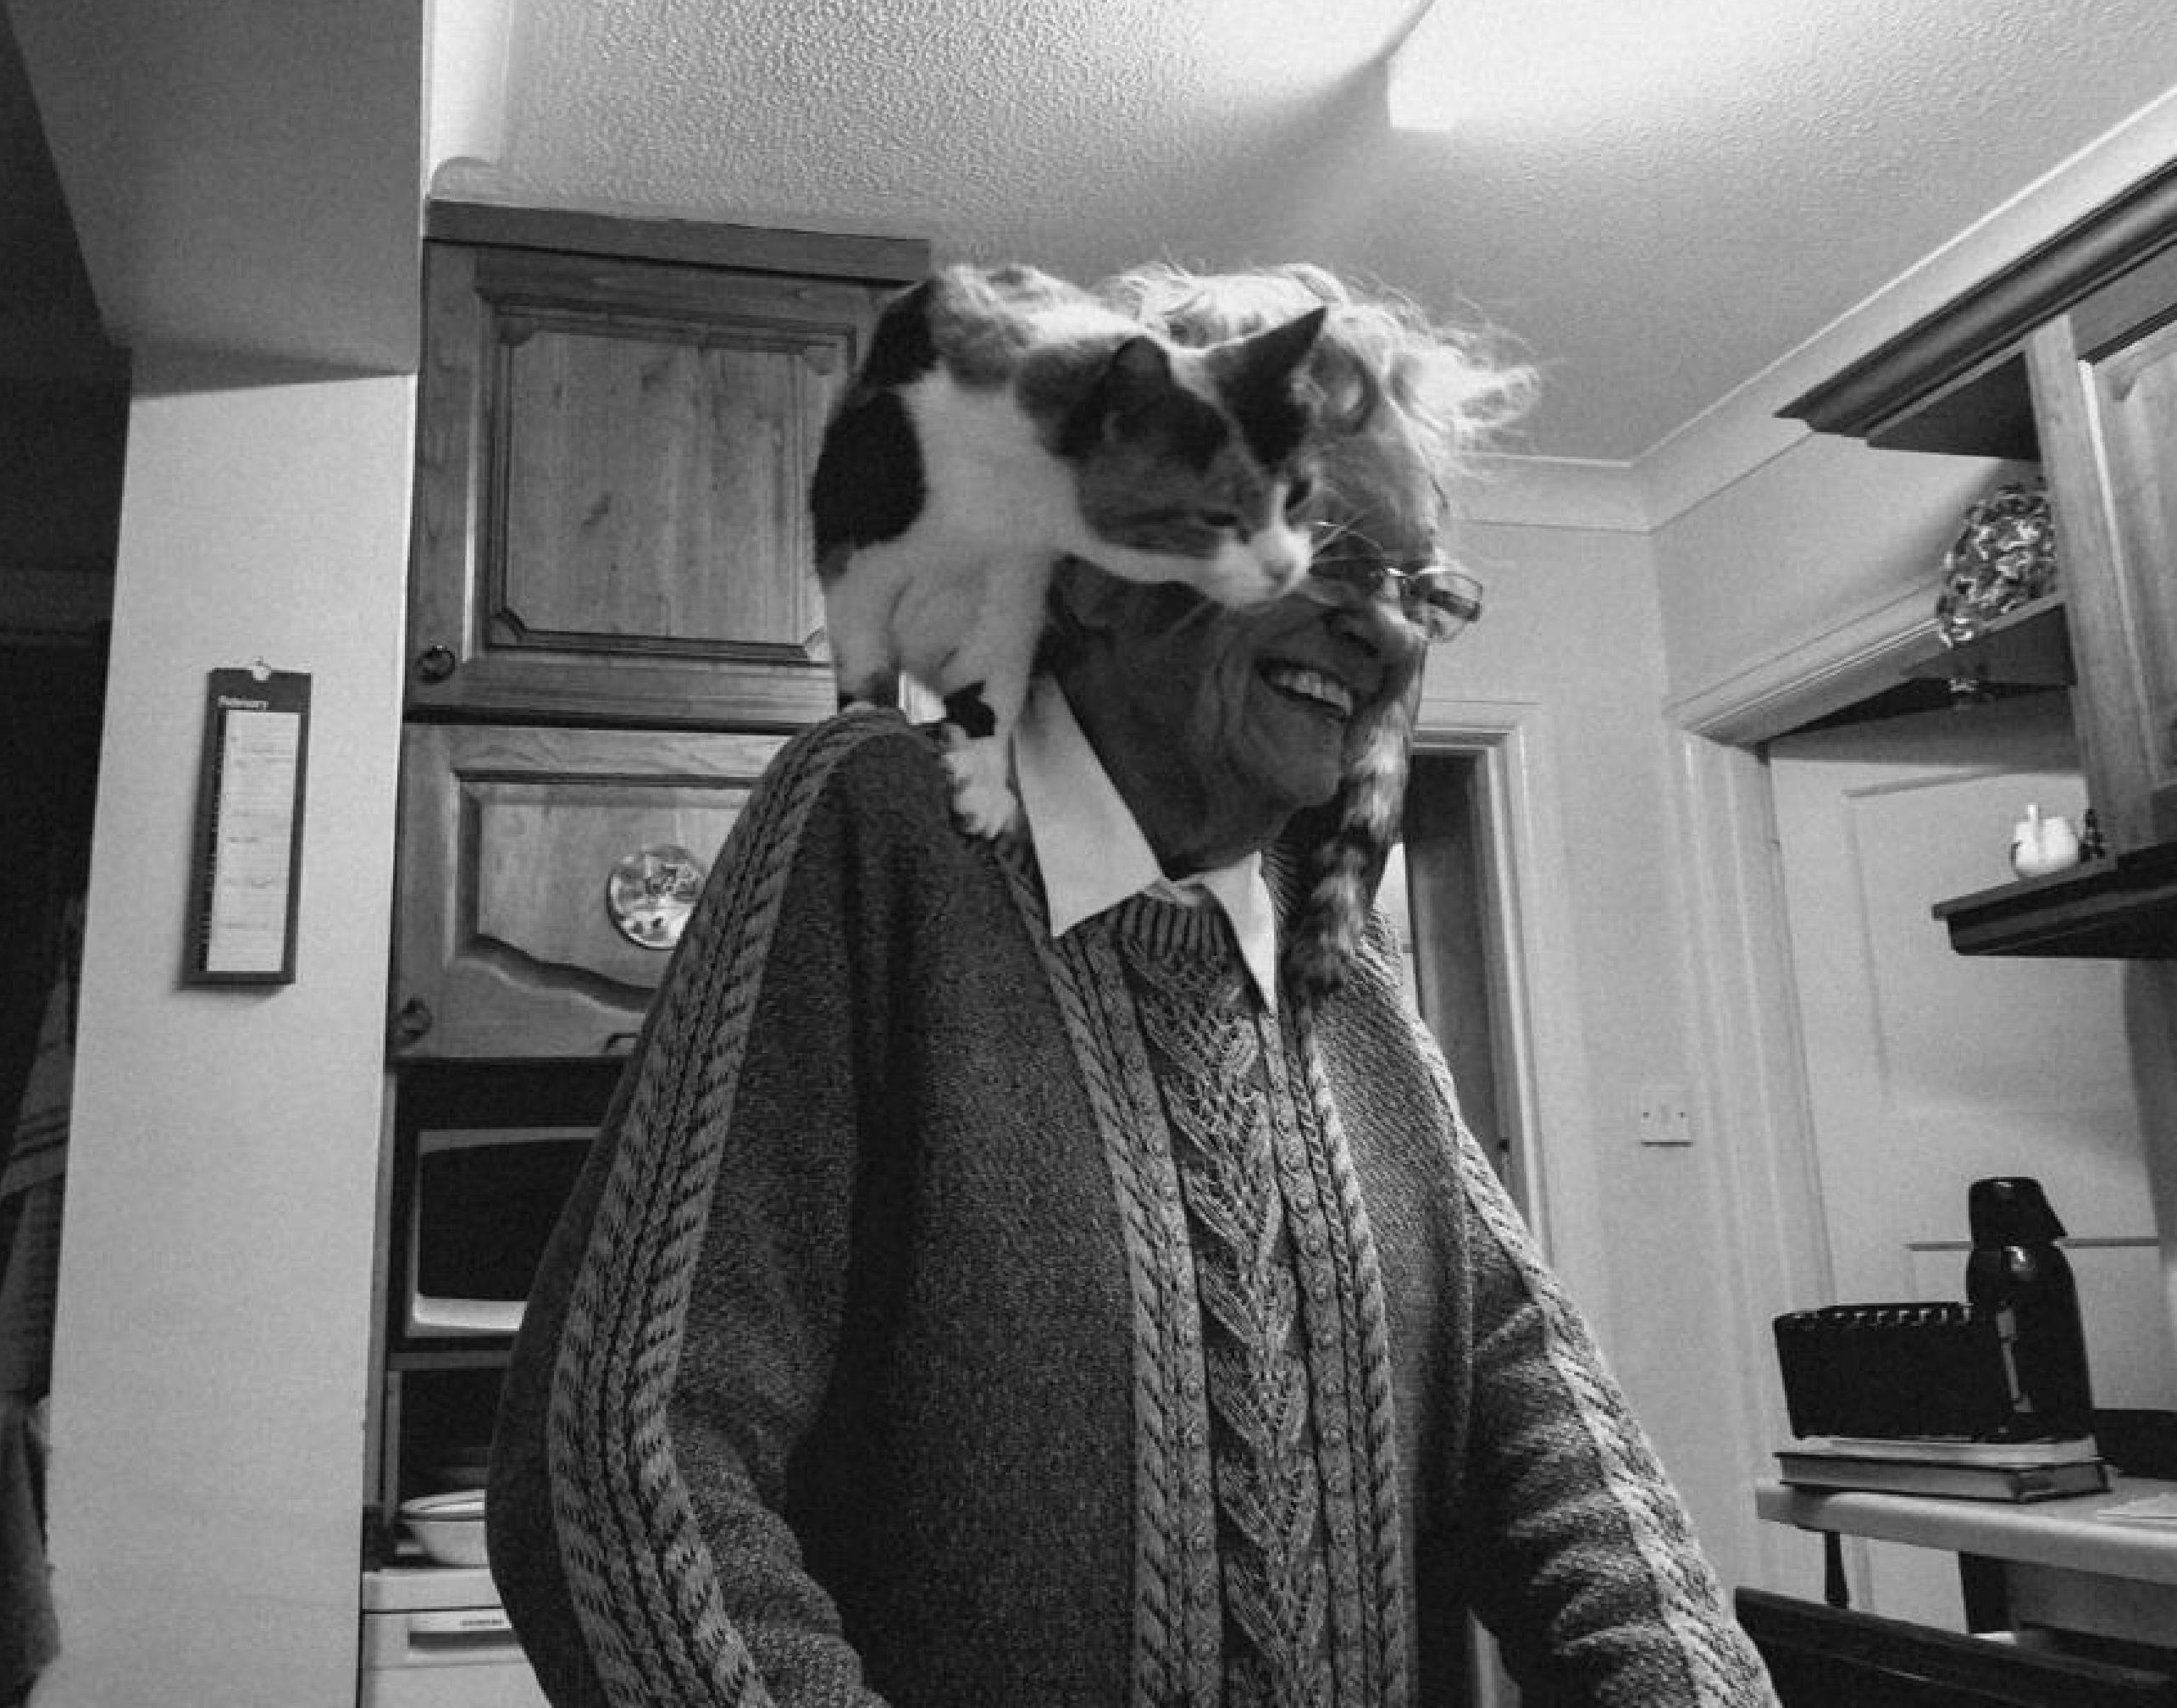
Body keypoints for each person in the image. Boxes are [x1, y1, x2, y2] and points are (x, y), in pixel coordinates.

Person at [486, 263, 1776, 1707]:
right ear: (1096, 565)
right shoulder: (888, 827)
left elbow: (1549, 1445)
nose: (1390, 632)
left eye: (1421, 590)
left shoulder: (1340, 965)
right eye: (1335, 549)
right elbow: (626, 1453)